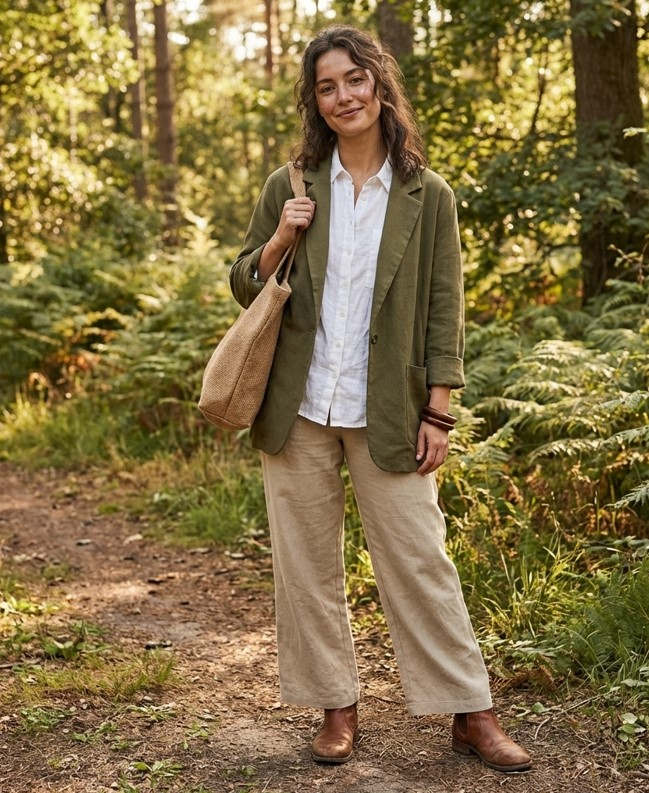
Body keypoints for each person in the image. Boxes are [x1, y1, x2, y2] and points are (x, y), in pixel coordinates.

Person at [229, 25, 532, 774]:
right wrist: (276, 243)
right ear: (315, 101)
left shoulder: (429, 196)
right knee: (305, 565)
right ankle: (336, 705)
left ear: (378, 84)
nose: (343, 96)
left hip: (390, 407)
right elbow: (242, 281)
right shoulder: (290, 184)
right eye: (326, 86)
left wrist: (439, 408)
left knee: (419, 559)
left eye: (354, 80)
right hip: (296, 405)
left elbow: (443, 307)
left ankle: (470, 710)